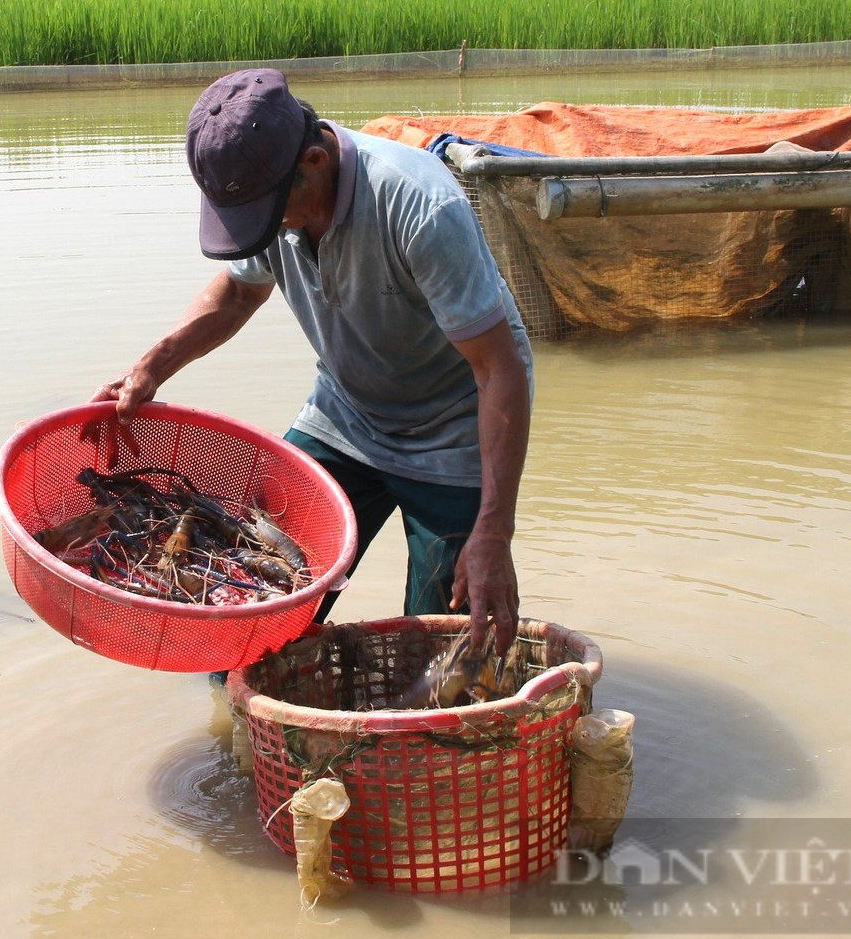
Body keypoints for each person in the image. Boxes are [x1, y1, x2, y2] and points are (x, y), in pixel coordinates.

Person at [93, 69, 533, 651]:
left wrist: (494, 532)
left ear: (315, 162)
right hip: (346, 414)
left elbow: (498, 369)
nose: (263, 231)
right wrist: (152, 367)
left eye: (265, 215)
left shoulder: (419, 206)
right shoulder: (271, 194)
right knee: (252, 609)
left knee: (440, 642)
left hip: (452, 431)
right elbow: (238, 292)